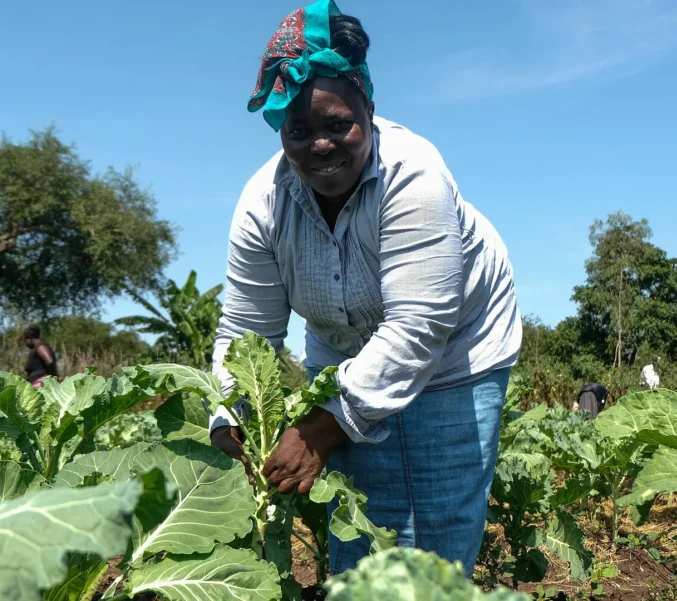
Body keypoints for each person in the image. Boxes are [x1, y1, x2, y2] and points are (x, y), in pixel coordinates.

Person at [208, 0, 522, 576]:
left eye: (337, 125)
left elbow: (418, 326)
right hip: (346, 353)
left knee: (434, 527)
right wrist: (232, 413)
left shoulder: (414, 173)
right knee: (364, 529)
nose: (320, 145)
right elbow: (246, 330)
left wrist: (321, 428)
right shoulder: (263, 204)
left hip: (457, 349)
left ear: (369, 111)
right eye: (299, 131)